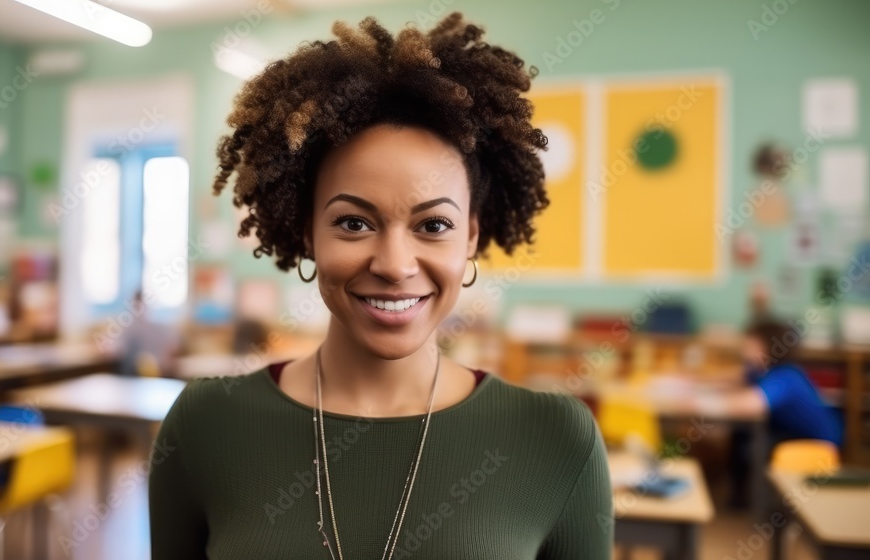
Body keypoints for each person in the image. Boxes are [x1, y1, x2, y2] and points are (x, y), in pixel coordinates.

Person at [149, 13, 613, 559]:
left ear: (469, 238)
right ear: (308, 233)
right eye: (353, 222)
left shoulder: (557, 439)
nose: (395, 264)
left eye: (433, 225)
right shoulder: (206, 425)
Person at [727, 318, 844, 507]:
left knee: (751, 445)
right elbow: (737, 379)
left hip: (813, 440)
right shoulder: (762, 371)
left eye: (750, 346)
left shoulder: (786, 375)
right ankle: (739, 498)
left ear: (769, 348)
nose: (745, 352)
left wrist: (712, 401)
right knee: (740, 434)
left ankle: (761, 505)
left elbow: (752, 405)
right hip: (787, 431)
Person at [118, 289, 182, 377]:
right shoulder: (130, 327)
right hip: (143, 370)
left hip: (150, 371)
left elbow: (173, 345)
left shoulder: (157, 325)